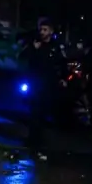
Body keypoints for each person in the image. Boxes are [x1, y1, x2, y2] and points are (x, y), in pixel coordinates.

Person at [21, 18, 67, 161]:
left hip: (49, 85)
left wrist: (63, 78)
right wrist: (33, 49)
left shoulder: (55, 47)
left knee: (44, 114)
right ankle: (33, 141)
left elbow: (62, 63)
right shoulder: (35, 44)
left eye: (45, 30)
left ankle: (42, 142)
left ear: (51, 31)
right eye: (41, 29)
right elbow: (23, 56)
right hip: (35, 84)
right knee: (34, 113)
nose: (42, 32)